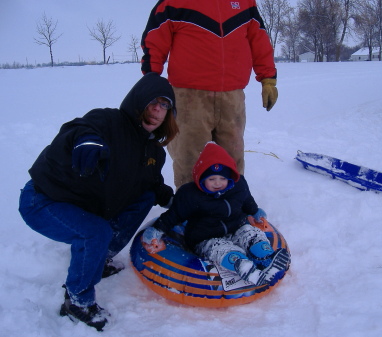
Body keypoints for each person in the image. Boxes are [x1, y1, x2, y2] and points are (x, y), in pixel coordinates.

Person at [18, 73, 179, 331]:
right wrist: (86, 142)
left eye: (164, 105)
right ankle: (77, 301)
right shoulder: (108, 120)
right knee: (96, 232)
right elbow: (78, 129)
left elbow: (150, 184)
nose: (157, 109)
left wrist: (174, 200)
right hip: (44, 199)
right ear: (138, 102)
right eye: (152, 102)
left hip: (83, 206)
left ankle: (99, 258)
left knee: (145, 197)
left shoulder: (154, 152)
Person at [140, 0, 279, 189]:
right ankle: (190, 207)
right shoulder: (173, 2)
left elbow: (259, 39)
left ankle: (232, 203)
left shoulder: (245, 3)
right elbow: (155, 40)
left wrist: (268, 78)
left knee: (232, 156)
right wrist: (151, 78)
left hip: (232, 96)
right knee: (189, 156)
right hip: (189, 97)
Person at [144, 142, 290, 286]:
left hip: (236, 227)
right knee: (221, 249)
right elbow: (174, 215)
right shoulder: (191, 195)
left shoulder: (238, 186)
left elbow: (246, 200)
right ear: (201, 178)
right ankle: (243, 266)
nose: (218, 183)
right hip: (205, 237)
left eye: (223, 178)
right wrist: (157, 229)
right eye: (212, 179)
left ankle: (265, 256)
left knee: (251, 233)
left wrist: (255, 211)